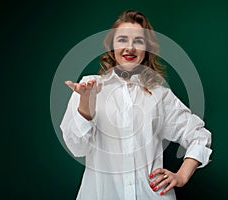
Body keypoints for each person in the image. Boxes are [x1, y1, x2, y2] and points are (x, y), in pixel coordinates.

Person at [60, 10, 212, 200]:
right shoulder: (88, 87)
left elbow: (199, 136)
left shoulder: (160, 95)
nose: (129, 48)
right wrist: (85, 104)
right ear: (111, 46)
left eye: (138, 41)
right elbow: (78, 148)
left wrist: (181, 175)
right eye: (122, 39)